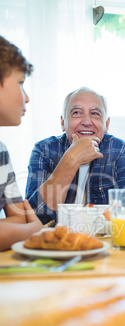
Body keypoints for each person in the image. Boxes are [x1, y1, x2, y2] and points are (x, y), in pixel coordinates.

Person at [26, 87, 125, 224]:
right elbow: (33, 216)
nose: (86, 122)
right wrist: (72, 158)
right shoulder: (44, 150)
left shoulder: (120, 150)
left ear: (106, 124)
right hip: (58, 239)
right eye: (77, 113)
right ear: (63, 122)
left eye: (95, 114)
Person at [0, 36, 42, 251]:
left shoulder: (1, 152)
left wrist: (22, 227)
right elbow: (26, 224)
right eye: (19, 83)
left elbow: (18, 219)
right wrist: (33, 230)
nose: (26, 98)